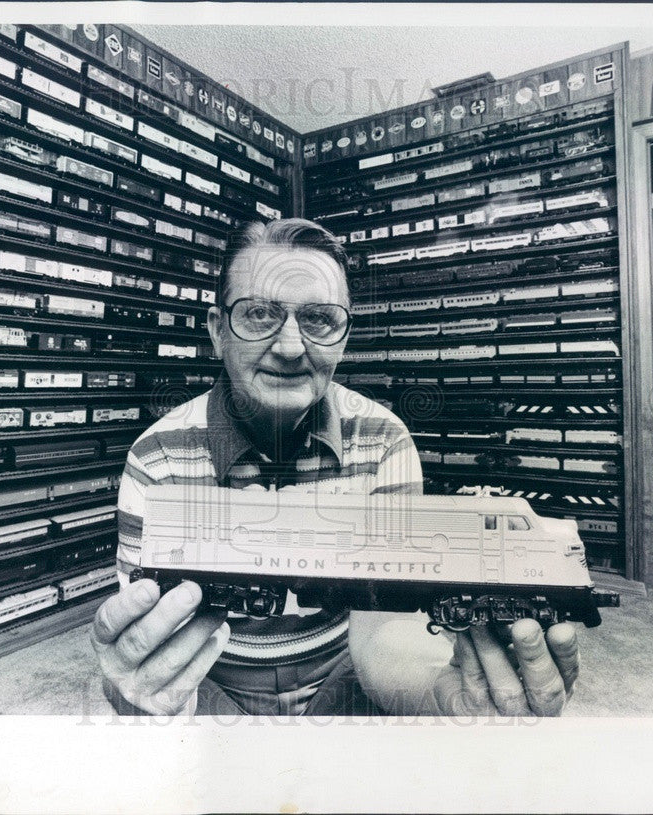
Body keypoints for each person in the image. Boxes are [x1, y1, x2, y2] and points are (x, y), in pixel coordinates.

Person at [91, 218, 579, 717]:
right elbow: (157, 642)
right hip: (211, 683)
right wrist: (143, 687)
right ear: (218, 331)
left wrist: (433, 695)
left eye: (319, 319)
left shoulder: (384, 441)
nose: (289, 348)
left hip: (347, 675)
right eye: (259, 314)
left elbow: (383, 622)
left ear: (344, 337)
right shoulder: (156, 456)